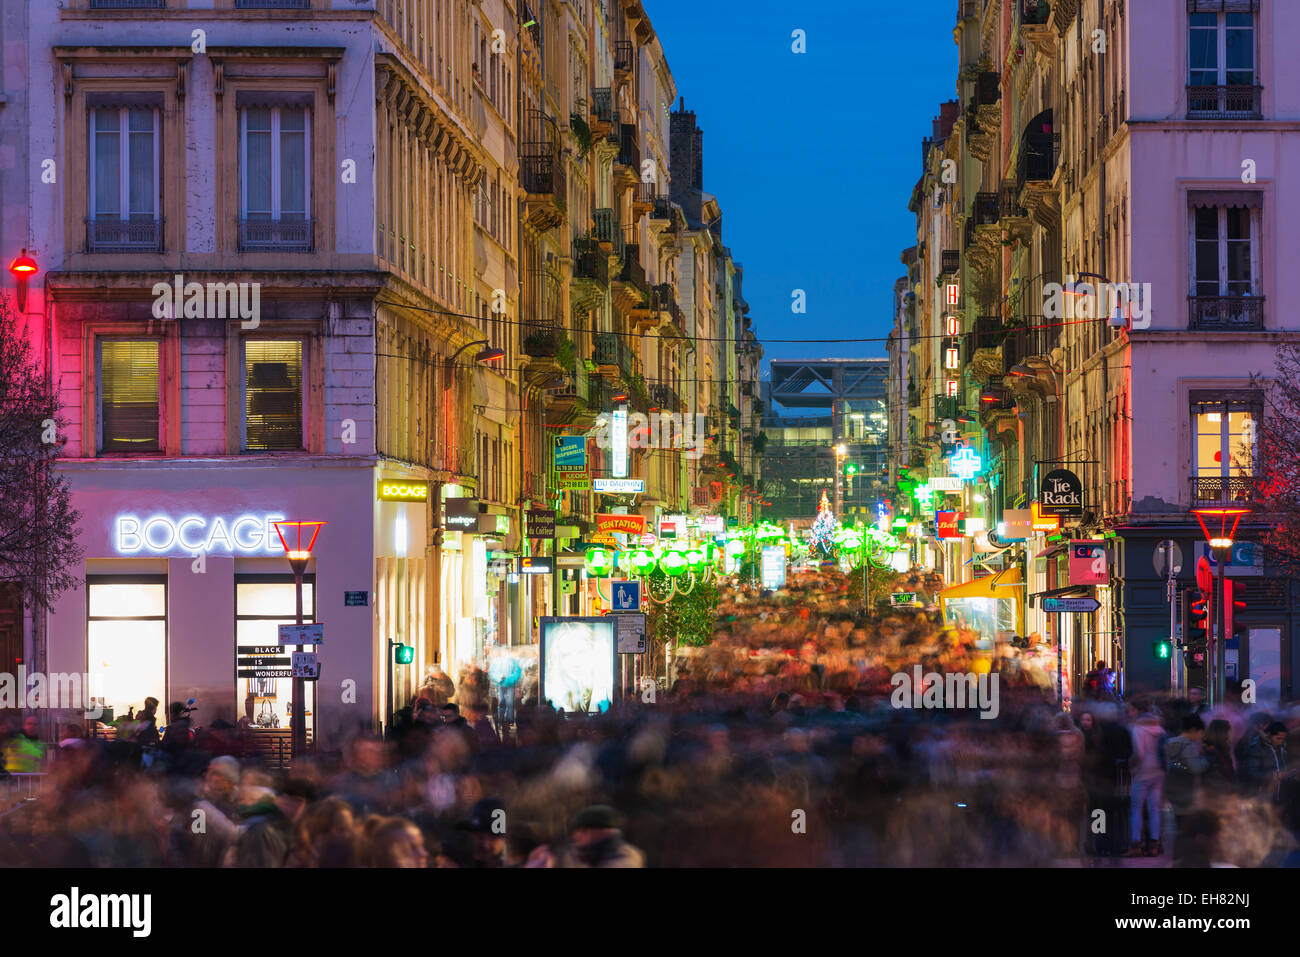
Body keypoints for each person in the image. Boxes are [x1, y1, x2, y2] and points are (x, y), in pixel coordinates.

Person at [1127, 706, 1166, 857]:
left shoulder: (1138, 730)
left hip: (1143, 772)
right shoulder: (1160, 730)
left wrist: (1131, 764)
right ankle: (1154, 844)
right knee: (1154, 808)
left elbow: (1139, 753)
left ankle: (1136, 843)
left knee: (1136, 808)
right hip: (1159, 772)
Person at [560, 805, 644, 868]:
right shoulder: (578, 854)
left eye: (584, 831)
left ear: (605, 832)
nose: (576, 836)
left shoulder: (626, 859)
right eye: (576, 831)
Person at [1242, 721, 1290, 803]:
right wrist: (1273, 775)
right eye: (1278, 738)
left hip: (1278, 796)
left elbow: (1282, 768)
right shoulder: (1256, 748)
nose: (1281, 741)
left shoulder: (1281, 748)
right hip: (1262, 797)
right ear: (1269, 734)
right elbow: (1252, 773)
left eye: (1283, 739)